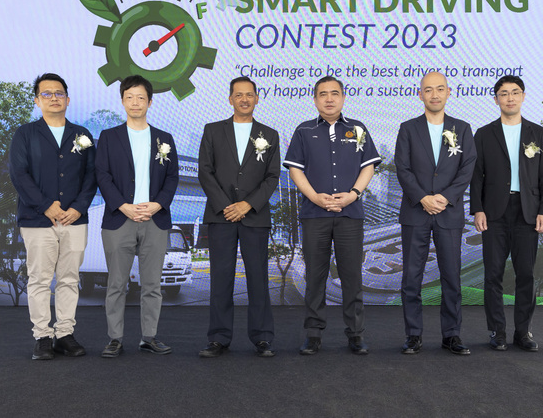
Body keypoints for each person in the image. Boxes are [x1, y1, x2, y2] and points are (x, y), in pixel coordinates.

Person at [283, 75, 380, 355]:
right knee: (315, 276)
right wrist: (315, 197)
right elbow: (295, 169)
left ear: (343, 98)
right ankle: (313, 334)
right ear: (315, 100)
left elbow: (368, 166)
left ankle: (356, 334)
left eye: (334, 93)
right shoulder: (303, 130)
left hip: (350, 214)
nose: (329, 99)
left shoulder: (358, 129)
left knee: (351, 276)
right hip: (315, 214)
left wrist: (354, 194)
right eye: (323, 94)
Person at [9, 73, 97, 360]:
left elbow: (91, 175)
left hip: (74, 220)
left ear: (68, 99)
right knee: (39, 279)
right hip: (37, 220)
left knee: (69, 279)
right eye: (46, 93)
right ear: (37, 100)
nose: (54, 98)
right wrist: (46, 205)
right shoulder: (25, 134)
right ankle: (43, 337)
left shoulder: (82, 135)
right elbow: (19, 174)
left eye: (59, 93)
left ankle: (65, 334)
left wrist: (78, 207)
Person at [95, 75, 179, 358]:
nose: (135, 102)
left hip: (155, 219)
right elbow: (102, 175)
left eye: (141, 97)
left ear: (150, 102)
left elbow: (172, 177)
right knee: (116, 284)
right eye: (129, 97)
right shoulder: (109, 137)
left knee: (152, 284)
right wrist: (123, 205)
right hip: (120, 219)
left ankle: (149, 337)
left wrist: (157, 205)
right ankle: (115, 339)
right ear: (122, 101)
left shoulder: (165, 139)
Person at [197, 77, 280, 358]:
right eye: (239, 95)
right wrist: (226, 205)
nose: (244, 99)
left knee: (258, 278)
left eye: (249, 95)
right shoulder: (212, 130)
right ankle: (218, 338)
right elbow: (205, 171)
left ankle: (262, 337)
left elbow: (272, 177)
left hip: (254, 216)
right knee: (221, 278)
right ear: (230, 99)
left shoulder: (270, 135)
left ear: (257, 98)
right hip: (221, 216)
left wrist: (247, 204)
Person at [394, 71, 476, 355]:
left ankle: (451, 335)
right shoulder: (408, 128)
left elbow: (467, 167)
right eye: (428, 90)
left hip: (448, 212)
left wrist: (444, 197)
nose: (434, 94)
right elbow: (402, 168)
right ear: (420, 94)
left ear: (448, 92)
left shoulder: (462, 128)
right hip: (415, 212)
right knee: (411, 277)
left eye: (440, 89)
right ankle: (413, 335)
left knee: (451, 276)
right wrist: (422, 197)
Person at [470, 75, 543, 352]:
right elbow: (476, 176)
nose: (510, 98)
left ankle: (523, 332)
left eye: (515, 92)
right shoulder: (484, 133)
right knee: (493, 274)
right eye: (504, 93)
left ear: (523, 97)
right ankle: (497, 331)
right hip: (494, 212)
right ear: (496, 99)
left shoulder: (537, 133)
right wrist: (478, 208)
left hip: (527, 212)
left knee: (526, 274)